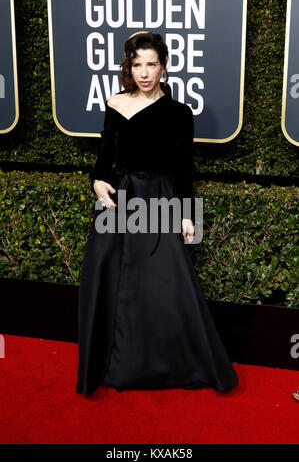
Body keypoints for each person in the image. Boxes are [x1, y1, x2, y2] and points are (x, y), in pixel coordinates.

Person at [76, 31, 238, 395]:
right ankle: (107, 365)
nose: (145, 72)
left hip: (160, 199)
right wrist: (97, 181)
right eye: (137, 65)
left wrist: (186, 215)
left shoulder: (179, 113)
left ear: (164, 66)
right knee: (107, 278)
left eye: (152, 64)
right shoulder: (116, 103)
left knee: (165, 285)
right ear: (128, 67)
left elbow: (184, 168)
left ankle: (170, 365)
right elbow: (105, 158)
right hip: (120, 199)